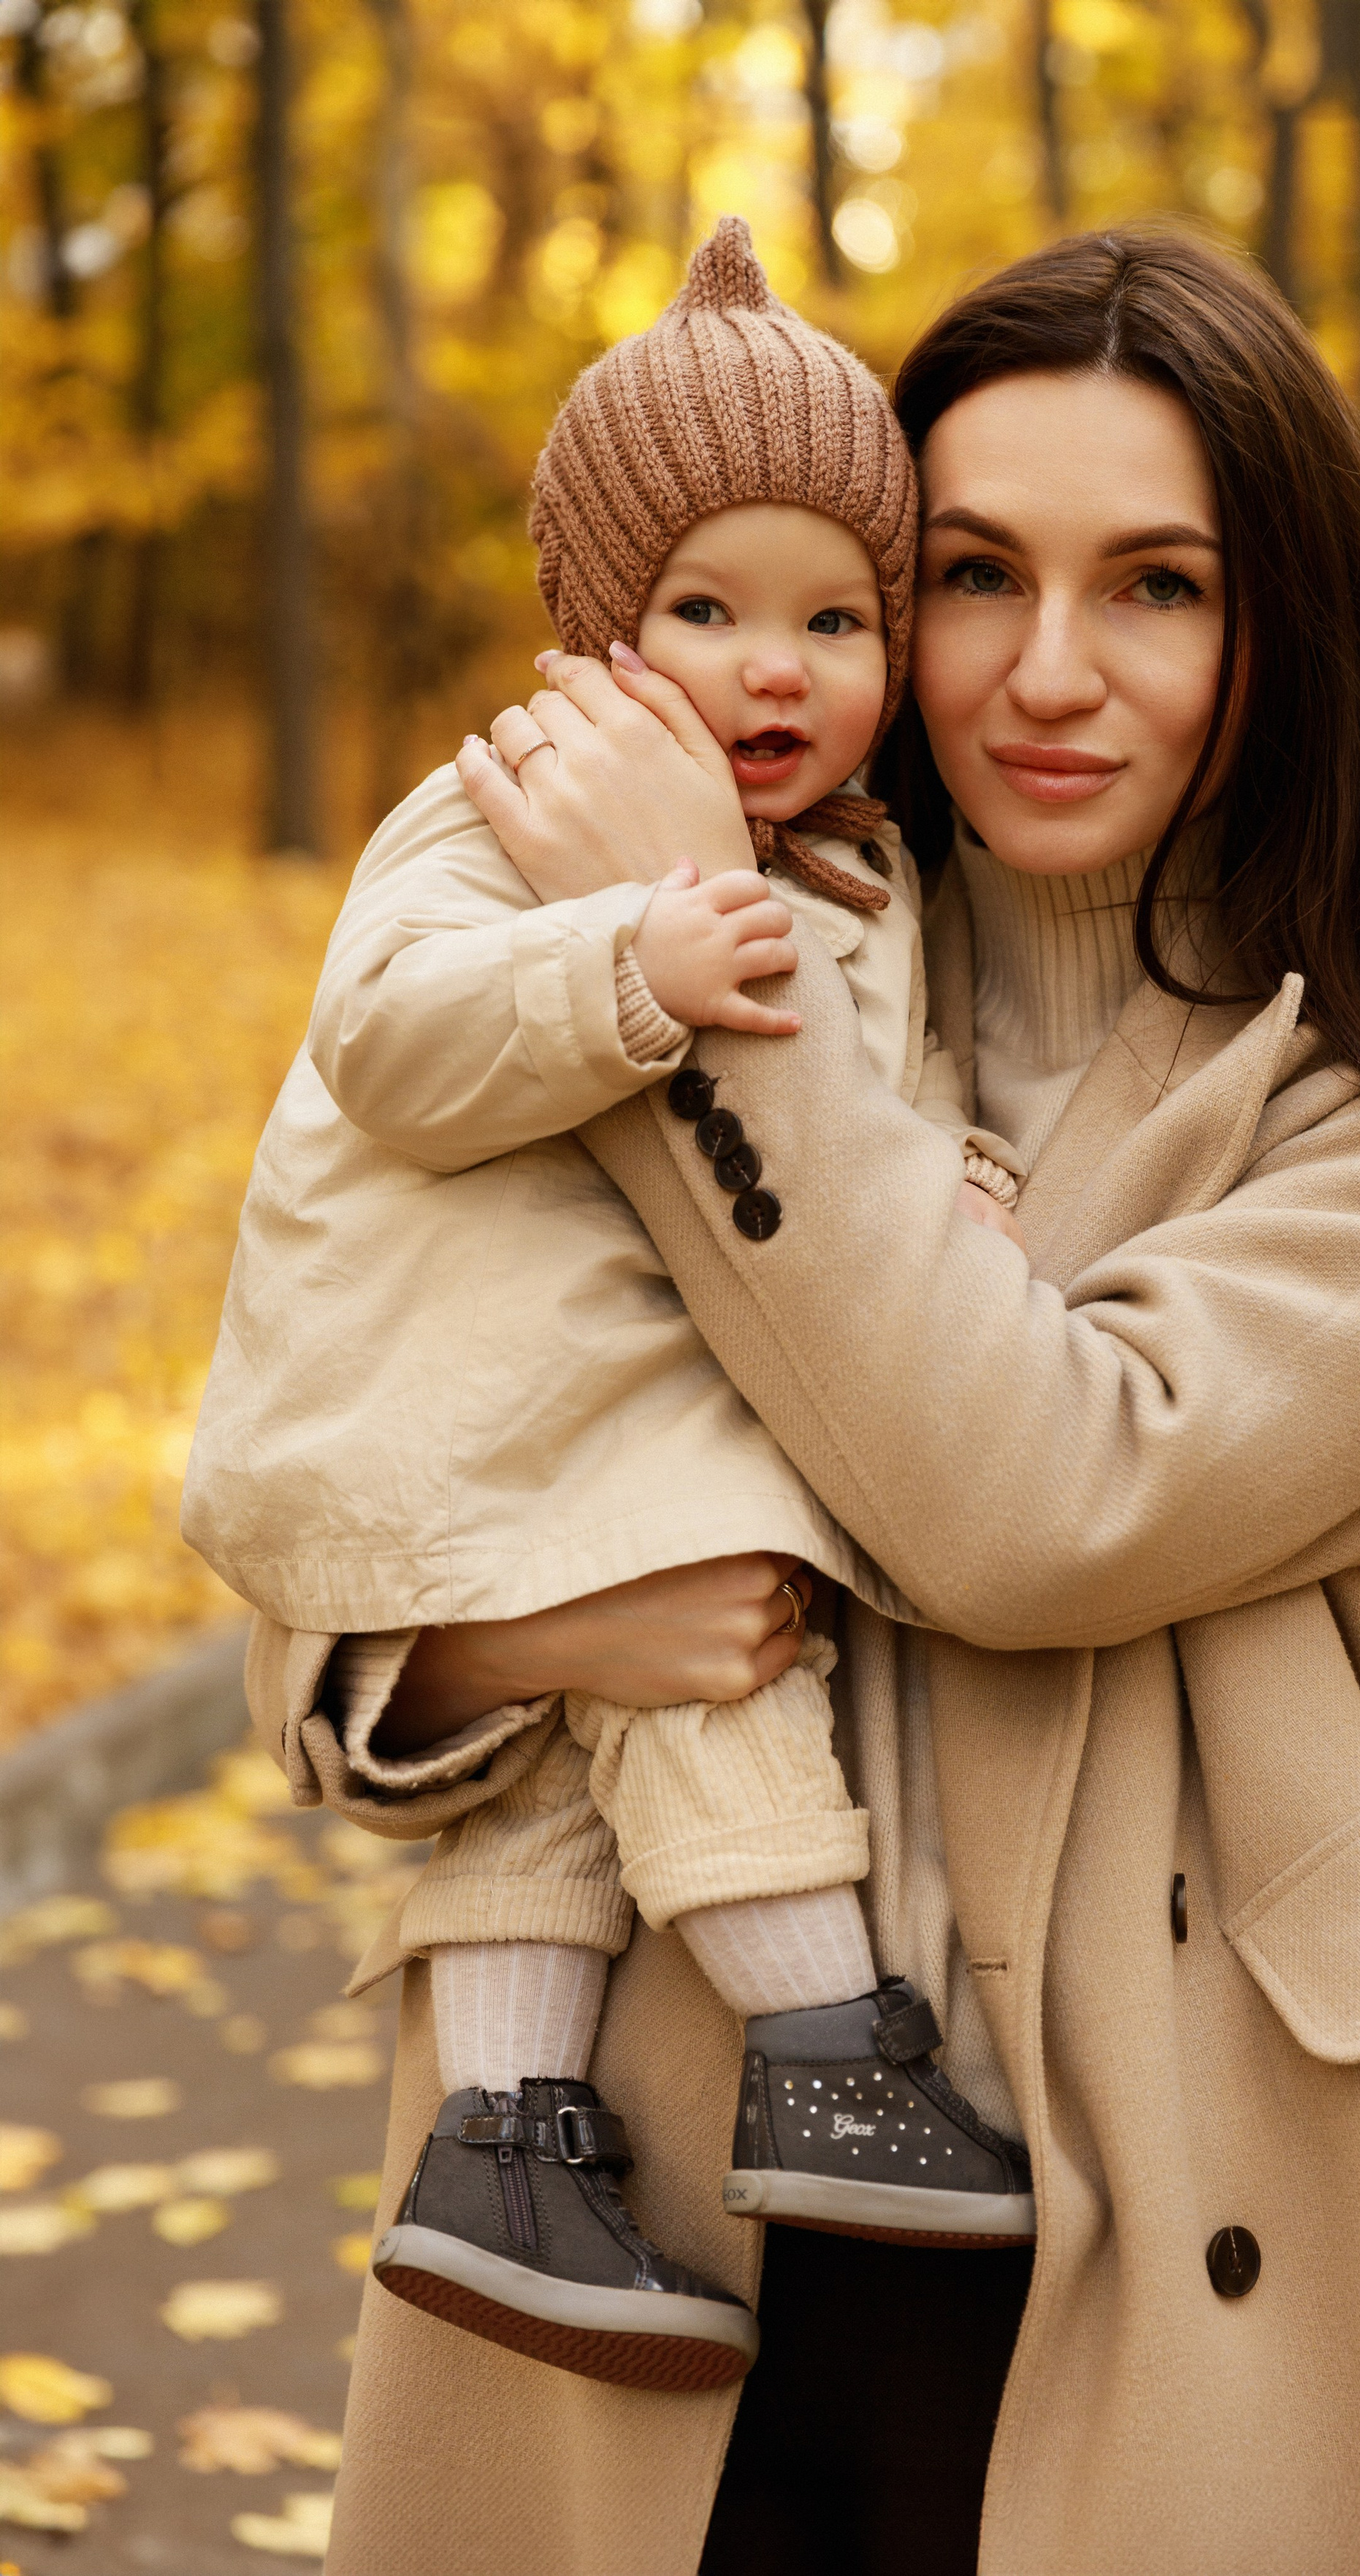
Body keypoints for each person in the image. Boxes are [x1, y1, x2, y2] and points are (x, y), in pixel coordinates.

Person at [245, 227, 1360, 2575]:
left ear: (1278, 629)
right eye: (972, 574)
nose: (1048, 671)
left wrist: (700, 986)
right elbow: (374, 1439)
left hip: (1172, 2234)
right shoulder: (626, 954)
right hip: (644, 2240)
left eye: (1157, 586)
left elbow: (1034, 1503)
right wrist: (521, 1640)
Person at [183, 218, 1034, 2397]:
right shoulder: (504, 819)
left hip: (542, 1419)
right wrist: (618, 967)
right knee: (711, 1630)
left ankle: (505, 2144)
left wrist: (934, 1165)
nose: (779, 671)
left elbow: (839, 1103)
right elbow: (383, 1037)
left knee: (532, 1780)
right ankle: (825, 2042)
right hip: (451, 1383)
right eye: (709, 611)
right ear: (598, 625)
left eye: (836, 617)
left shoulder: (859, 864)